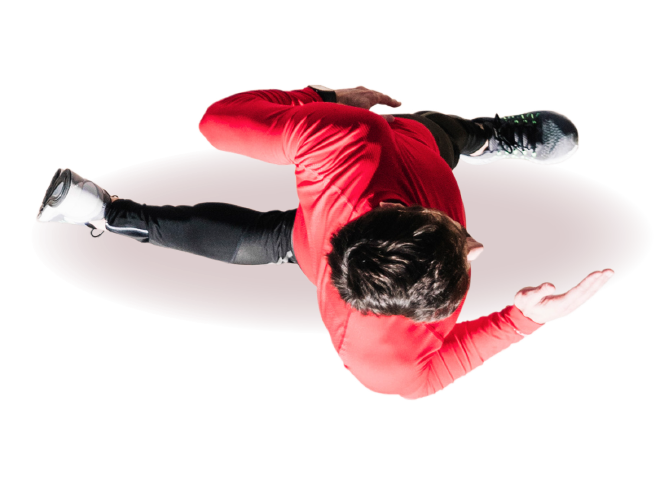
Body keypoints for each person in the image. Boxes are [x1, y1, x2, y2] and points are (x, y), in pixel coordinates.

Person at [36, 85, 615, 400]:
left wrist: (322, 99)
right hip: (317, 237)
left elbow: (216, 122)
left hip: (347, 203)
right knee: (256, 239)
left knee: (437, 132)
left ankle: (486, 135)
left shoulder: (343, 135)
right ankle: (104, 211)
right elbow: (429, 376)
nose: (478, 247)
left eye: (463, 245)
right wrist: (521, 319)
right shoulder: (384, 360)